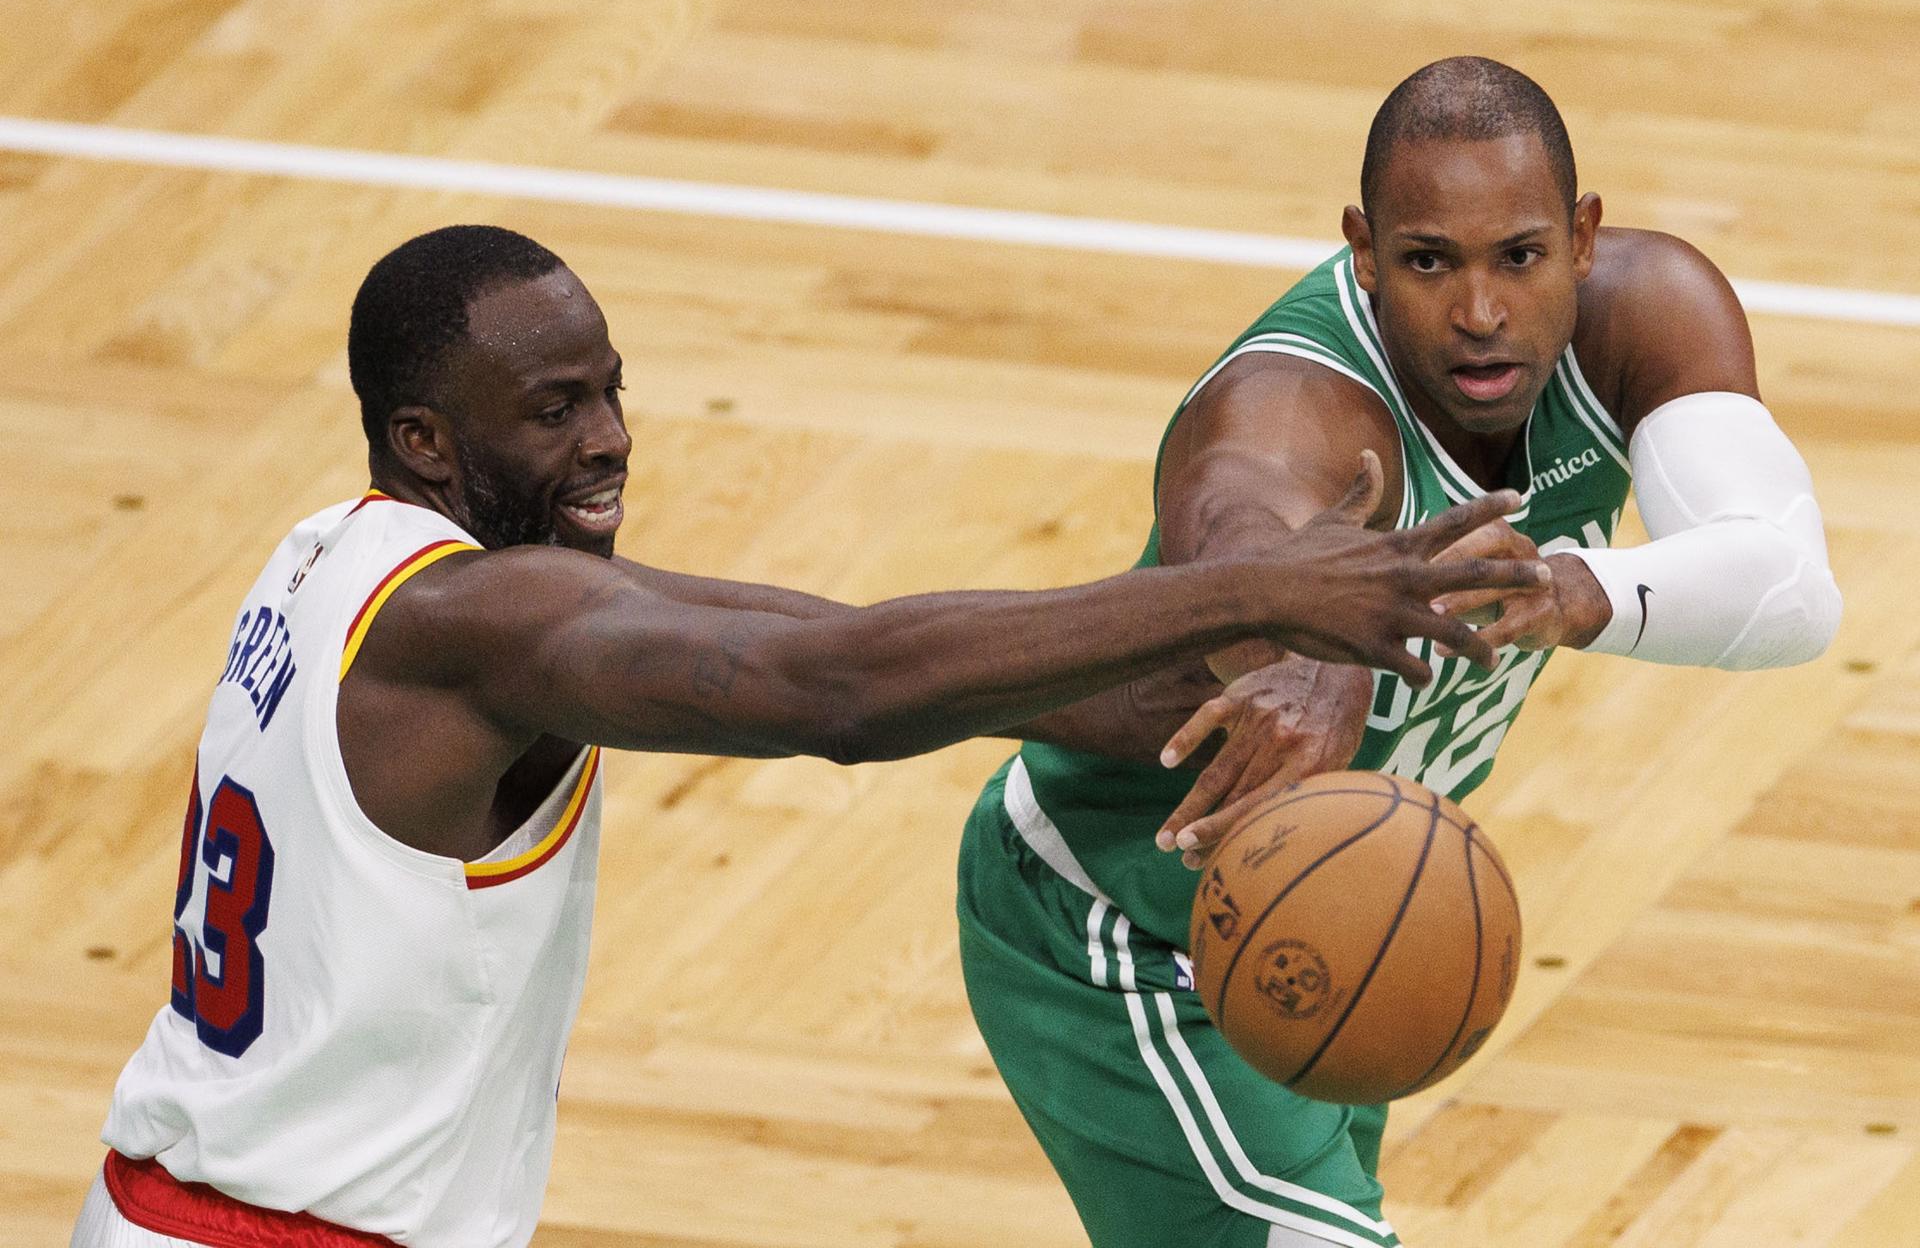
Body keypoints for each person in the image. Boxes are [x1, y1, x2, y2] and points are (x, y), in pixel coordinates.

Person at [71, 224, 1547, 1247]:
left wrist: (1161, 693)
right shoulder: (486, 628)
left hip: (183, 1204)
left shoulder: (340, 558)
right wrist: (1248, 587)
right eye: (550, 410)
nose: (605, 440)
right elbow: (831, 694)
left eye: (610, 391)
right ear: (425, 440)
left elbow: (784, 626)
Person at [955, 56, 1842, 1248]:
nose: (1479, 311)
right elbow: (1231, 526)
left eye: (1517, 256)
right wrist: (1297, 623)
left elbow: (1789, 583)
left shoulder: (1650, 314)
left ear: (1582, 237)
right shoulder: (1290, 407)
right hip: (1120, 928)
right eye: (1428, 261)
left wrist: (1578, 586)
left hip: (1338, 917)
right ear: (1364, 253)